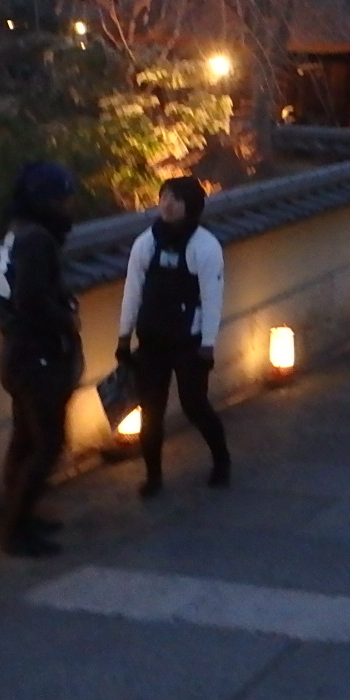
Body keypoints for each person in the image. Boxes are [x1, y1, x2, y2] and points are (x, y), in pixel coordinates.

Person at [116, 177, 230, 498]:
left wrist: (208, 344)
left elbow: (212, 297)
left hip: (189, 341)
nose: (167, 204)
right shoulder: (145, 243)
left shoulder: (205, 246)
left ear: (191, 206)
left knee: (195, 405)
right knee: (150, 411)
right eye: (164, 197)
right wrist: (124, 338)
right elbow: (132, 291)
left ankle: (221, 460)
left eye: (176, 199)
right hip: (151, 340)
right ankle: (153, 476)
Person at [0, 161, 84, 557]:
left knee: (26, 439)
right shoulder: (38, 241)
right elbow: (29, 298)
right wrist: (66, 320)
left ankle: (20, 515)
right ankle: (16, 529)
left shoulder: (17, 234)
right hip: (37, 355)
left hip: (17, 352)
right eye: (62, 199)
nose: (68, 207)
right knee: (47, 443)